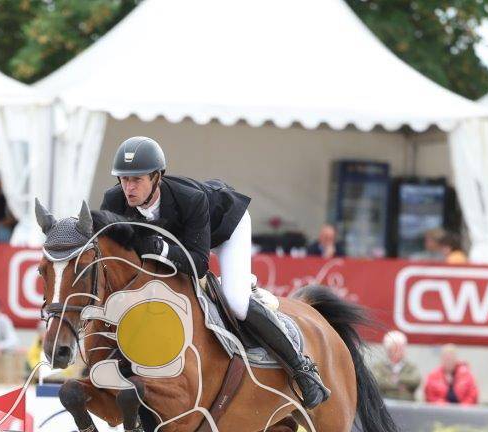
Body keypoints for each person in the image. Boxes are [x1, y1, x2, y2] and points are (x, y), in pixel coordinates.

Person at [100, 136, 328, 408]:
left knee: (236, 303)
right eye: (124, 179)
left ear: (157, 177)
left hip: (225, 231)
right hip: (182, 244)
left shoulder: (190, 199)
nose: (128, 187)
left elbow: (198, 263)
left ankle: (302, 369)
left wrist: (160, 248)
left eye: (137, 180)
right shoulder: (113, 201)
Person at [368, 330, 420, 401]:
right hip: (384, 403)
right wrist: (401, 386)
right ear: (389, 349)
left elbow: (416, 380)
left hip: (407, 404)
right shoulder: (379, 367)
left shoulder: (411, 367)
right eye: (398, 347)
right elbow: (376, 382)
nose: (402, 350)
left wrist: (397, 379)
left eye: (403, 347)